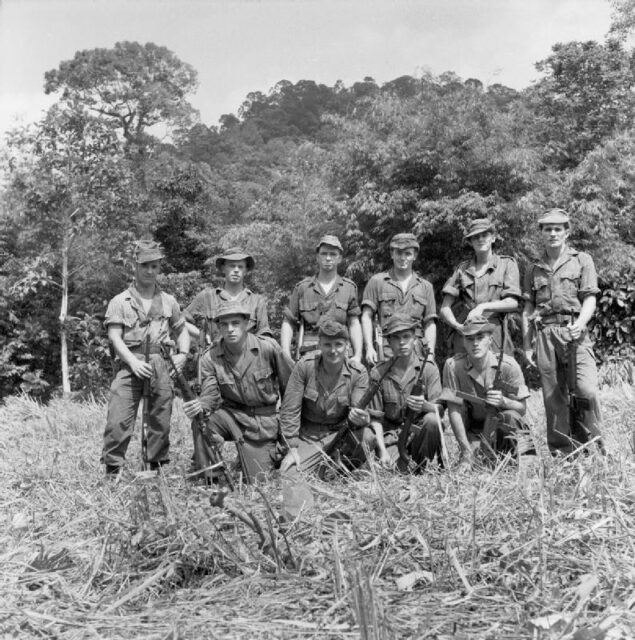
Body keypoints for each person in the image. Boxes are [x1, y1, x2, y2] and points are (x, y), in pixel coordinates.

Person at [101, 240, 190, 475]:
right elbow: (114, 337)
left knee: (160, 418)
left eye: (155, 266)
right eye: (145, 266)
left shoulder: (169, 301)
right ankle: (113, 471)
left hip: (161, 364)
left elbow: (182, 330)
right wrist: (132, 362)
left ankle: (156, 468)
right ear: (136, 267)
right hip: (131, 363)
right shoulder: (120, 301)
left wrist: (184, 354)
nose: (150, 271)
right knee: (118, 418)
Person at [521, 209, 603, 454]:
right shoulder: (533, 268)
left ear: (567, 232)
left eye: (558, 228)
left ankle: (594, 447)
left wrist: (581, 323)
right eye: (548, 229)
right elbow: (528, 308)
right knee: (553, 397)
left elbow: (589, 298)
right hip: (545, 334)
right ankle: (562, 452)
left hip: (574, 333)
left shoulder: (582, 260)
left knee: (586, 390)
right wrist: (527, 344)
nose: (553, 233)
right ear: (542, 233)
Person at [183, 302, 293, 482]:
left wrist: (287, 437)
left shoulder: (268, 348)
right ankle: (210, 475)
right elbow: (210, 395)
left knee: (258, 480)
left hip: (263, 424)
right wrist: (200, 407)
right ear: (218, 327)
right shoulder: (210, 357)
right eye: (224, 325)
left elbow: (290, 393)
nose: (230, 329)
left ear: (247, 323)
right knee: (201, 422)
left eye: (235, 323)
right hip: (232, 417)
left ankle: (252, 458)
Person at [279, 320, 373, 476]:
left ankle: (339, 472)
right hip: (308, 436)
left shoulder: (358, 373)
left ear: (347, 347)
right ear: (319, 345)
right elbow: (290, 410)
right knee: (290, 476)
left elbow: (359, 407)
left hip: (339, 435)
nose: (333, 350)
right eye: (327, 345)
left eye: (338, 344)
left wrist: (362, 418)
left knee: (367, 438)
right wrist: (292, 448)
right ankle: (323, 469)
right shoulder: (305, 366)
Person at [442, 316, 529, 468]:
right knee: (477, 465)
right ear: (463, 342)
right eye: (469, 339)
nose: (475, 343)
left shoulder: (508, 366)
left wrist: (504, 402)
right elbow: (454, 411)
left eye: (480, 338)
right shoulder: (454, 367)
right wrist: (466, 452)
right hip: (475, 433)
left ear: (490, 340)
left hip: (502, 428)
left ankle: (515, 460)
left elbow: (522, 408)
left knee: (511, 416)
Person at [368, 314, 445, 471]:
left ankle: (422, 464)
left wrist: (426, 406)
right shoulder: (378, 373)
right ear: (388, 342)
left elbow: (440, 410)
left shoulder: (428, 369)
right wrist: (382, 451)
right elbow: (375, 419)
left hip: (419, 436)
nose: (402, 342)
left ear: (415, 339)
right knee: (388, 472)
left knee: (432, 420)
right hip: (391, 439)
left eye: (406, 336)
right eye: (396, 338)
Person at [439, 218, 521, 355]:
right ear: (470, 242)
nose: (480, 239)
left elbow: (512, 303)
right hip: (467, 333)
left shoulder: (507, 264)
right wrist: (458, 327)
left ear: (493, 238)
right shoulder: (462, 269)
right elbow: (444, 309)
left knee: (497, 372)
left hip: (494, 332)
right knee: (462, 372)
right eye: (475, 237)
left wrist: (482, 307)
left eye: (485, 235)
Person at [280, 235, 363, 362]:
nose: (328, 258)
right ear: (317, 257)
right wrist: (285, 353)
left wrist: (357, 354)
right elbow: (288, 322)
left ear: (339, 258)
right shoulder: (303, 288)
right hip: (309, 355)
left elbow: (354, 323)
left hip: (341, 354)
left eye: (333, 254)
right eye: (324, 254)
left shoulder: (349, 288)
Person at [361, 233, 437, 365]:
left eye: (407, 253)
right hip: (385, 352)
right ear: (392, 254)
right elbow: (366, 316)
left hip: (417, 351)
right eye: (398, 253)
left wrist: (430, 354)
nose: (403, 258)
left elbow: (430, 323)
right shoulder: (377, 282)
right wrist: (369, 348)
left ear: (414, 256)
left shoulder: (426, 287)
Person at [185, 247, 271, 346]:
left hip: (246, 358)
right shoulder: (207, 297)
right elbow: (180, 322)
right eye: (232, 266)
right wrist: (201, 336)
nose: (236, 270)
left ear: (246, 270)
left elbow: (265, 336)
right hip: (213, 358)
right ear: (223, 268)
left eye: (240, 267)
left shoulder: (257, 301)